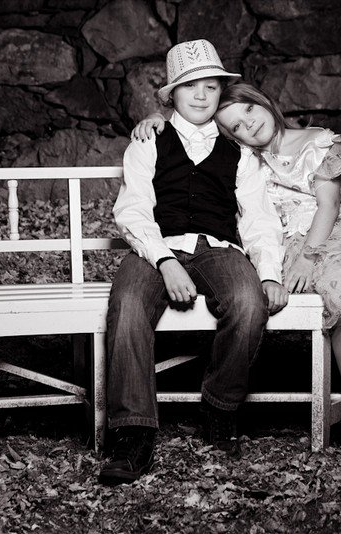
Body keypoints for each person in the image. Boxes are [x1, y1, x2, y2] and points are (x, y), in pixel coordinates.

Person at [132, 83, 341, 454]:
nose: (249, 126)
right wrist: (157, 117)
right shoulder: (244, 158)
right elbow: (192, 129)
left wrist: (310, 255)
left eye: (249, 112)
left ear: (263, 102)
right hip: (288, 243)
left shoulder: (316, 142)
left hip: (335, 233)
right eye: (236, 127)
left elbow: (329, 206)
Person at [99, 42, 287, 486]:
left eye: (211, 87)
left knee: (248, 303)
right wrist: (165, 260)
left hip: (218, 247)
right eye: (190, 86)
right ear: (172, 94)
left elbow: (258, 219)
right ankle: (133, 432)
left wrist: (269, 273)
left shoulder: (239, 152)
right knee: (127, 306)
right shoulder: (148, 140)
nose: (201, 95)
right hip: (155, 246)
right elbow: (133, 210)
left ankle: (219, 407)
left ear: (221, 92)